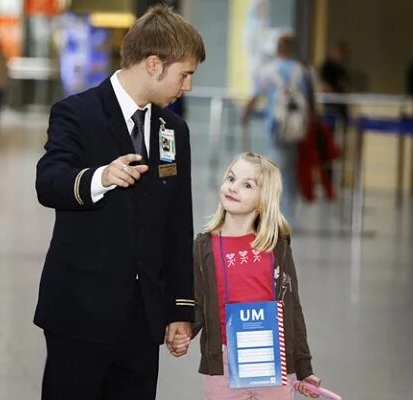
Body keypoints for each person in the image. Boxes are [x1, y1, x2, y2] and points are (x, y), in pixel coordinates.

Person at [33, 5, 205, 400]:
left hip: (141, 322)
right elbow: (49, 182)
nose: (188, 87)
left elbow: (178, 223)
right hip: (80, 312)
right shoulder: (76, 113)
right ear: (153, 64)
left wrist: (181, 309)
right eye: (185, 74)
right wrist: (100, 177)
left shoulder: (173, 131)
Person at [188, 152, 321, 400]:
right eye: (231, 178)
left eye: (247, 185)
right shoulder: (203, 247)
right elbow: (197, 303)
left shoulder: (276, 246)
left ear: (264, 199)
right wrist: (181, 329)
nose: (233, 187)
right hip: (223, 366)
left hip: (274, 362)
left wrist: (302, 367)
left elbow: (292, 307)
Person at [241, 34, 311, 226]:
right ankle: (290, 213)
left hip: (276, 126)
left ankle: (279, 213)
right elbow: (309, 100)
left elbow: (256, 95)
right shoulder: (301, 71)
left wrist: (246, 114)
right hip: (296, 126)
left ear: (277, 49)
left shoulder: (269, 70)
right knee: (289, 169)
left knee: (276, 168)